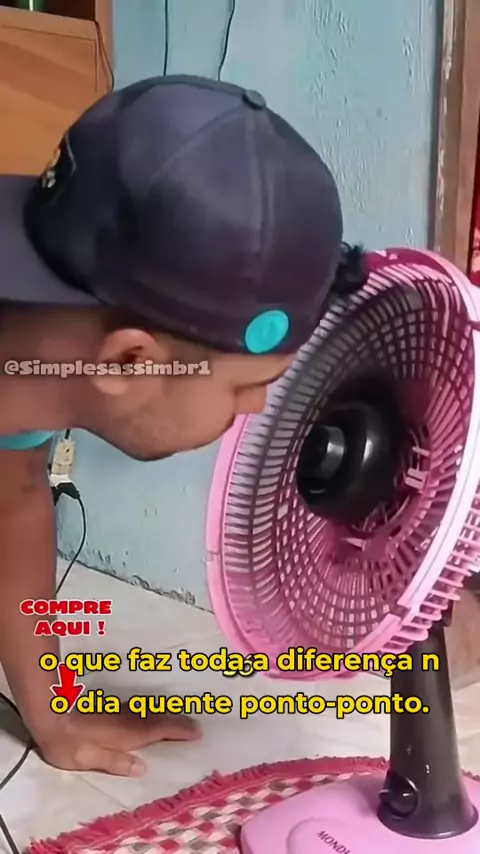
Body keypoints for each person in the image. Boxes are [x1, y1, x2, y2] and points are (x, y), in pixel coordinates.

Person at [0, 75, 365, 777]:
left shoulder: (24, 381)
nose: (254, 408)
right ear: (131, 362)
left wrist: (51, 712)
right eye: (244, 385)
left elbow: (12, 499)